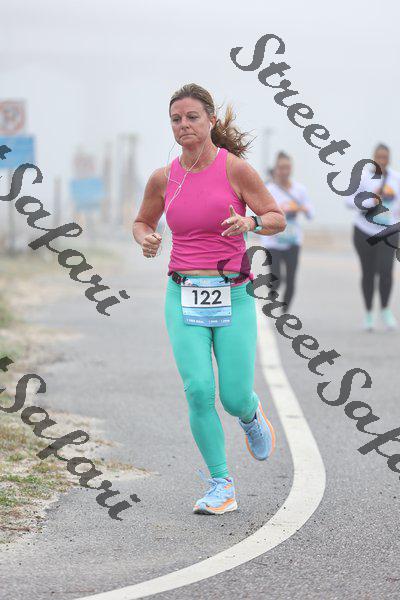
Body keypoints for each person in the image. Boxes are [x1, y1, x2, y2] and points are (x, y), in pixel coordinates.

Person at [132, 83, 286, 515]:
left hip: (233, 294)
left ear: (211, 120)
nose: (183, 125)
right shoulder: (163, 178)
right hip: (182, 294)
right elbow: (142, 222)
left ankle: (250, 414)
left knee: (233, 396)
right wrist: (146, 239)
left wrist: (251, 222)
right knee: (199, 390)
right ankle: (222, 485)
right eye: (176, 119)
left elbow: (277, 218)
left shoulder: (235, 169)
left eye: (192, 117)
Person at [346, 143, 400, 331]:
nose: (382, 161)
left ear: (389, 159)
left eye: (385, 157)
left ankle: (385, 310)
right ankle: (368, 313)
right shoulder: (362, 177)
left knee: (386, 271)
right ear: (373, 158)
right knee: (368, 273)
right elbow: (348, 201)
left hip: (388, 231)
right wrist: (371, 199)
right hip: (364, 231)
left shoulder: (396, 178)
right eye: (379, 157)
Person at [257, 151, 314, 312]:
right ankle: (272, 293)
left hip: (293, 240)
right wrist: (280, 211)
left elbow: (311, 213)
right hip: (273, 241)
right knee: (276, 277)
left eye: (287, 167)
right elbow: (260, 213)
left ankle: (284, 312)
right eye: (281, 167)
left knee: (291, 279)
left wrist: (301, 208)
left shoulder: (300, 190)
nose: (284, 171)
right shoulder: (268, 190)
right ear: (276, 169)